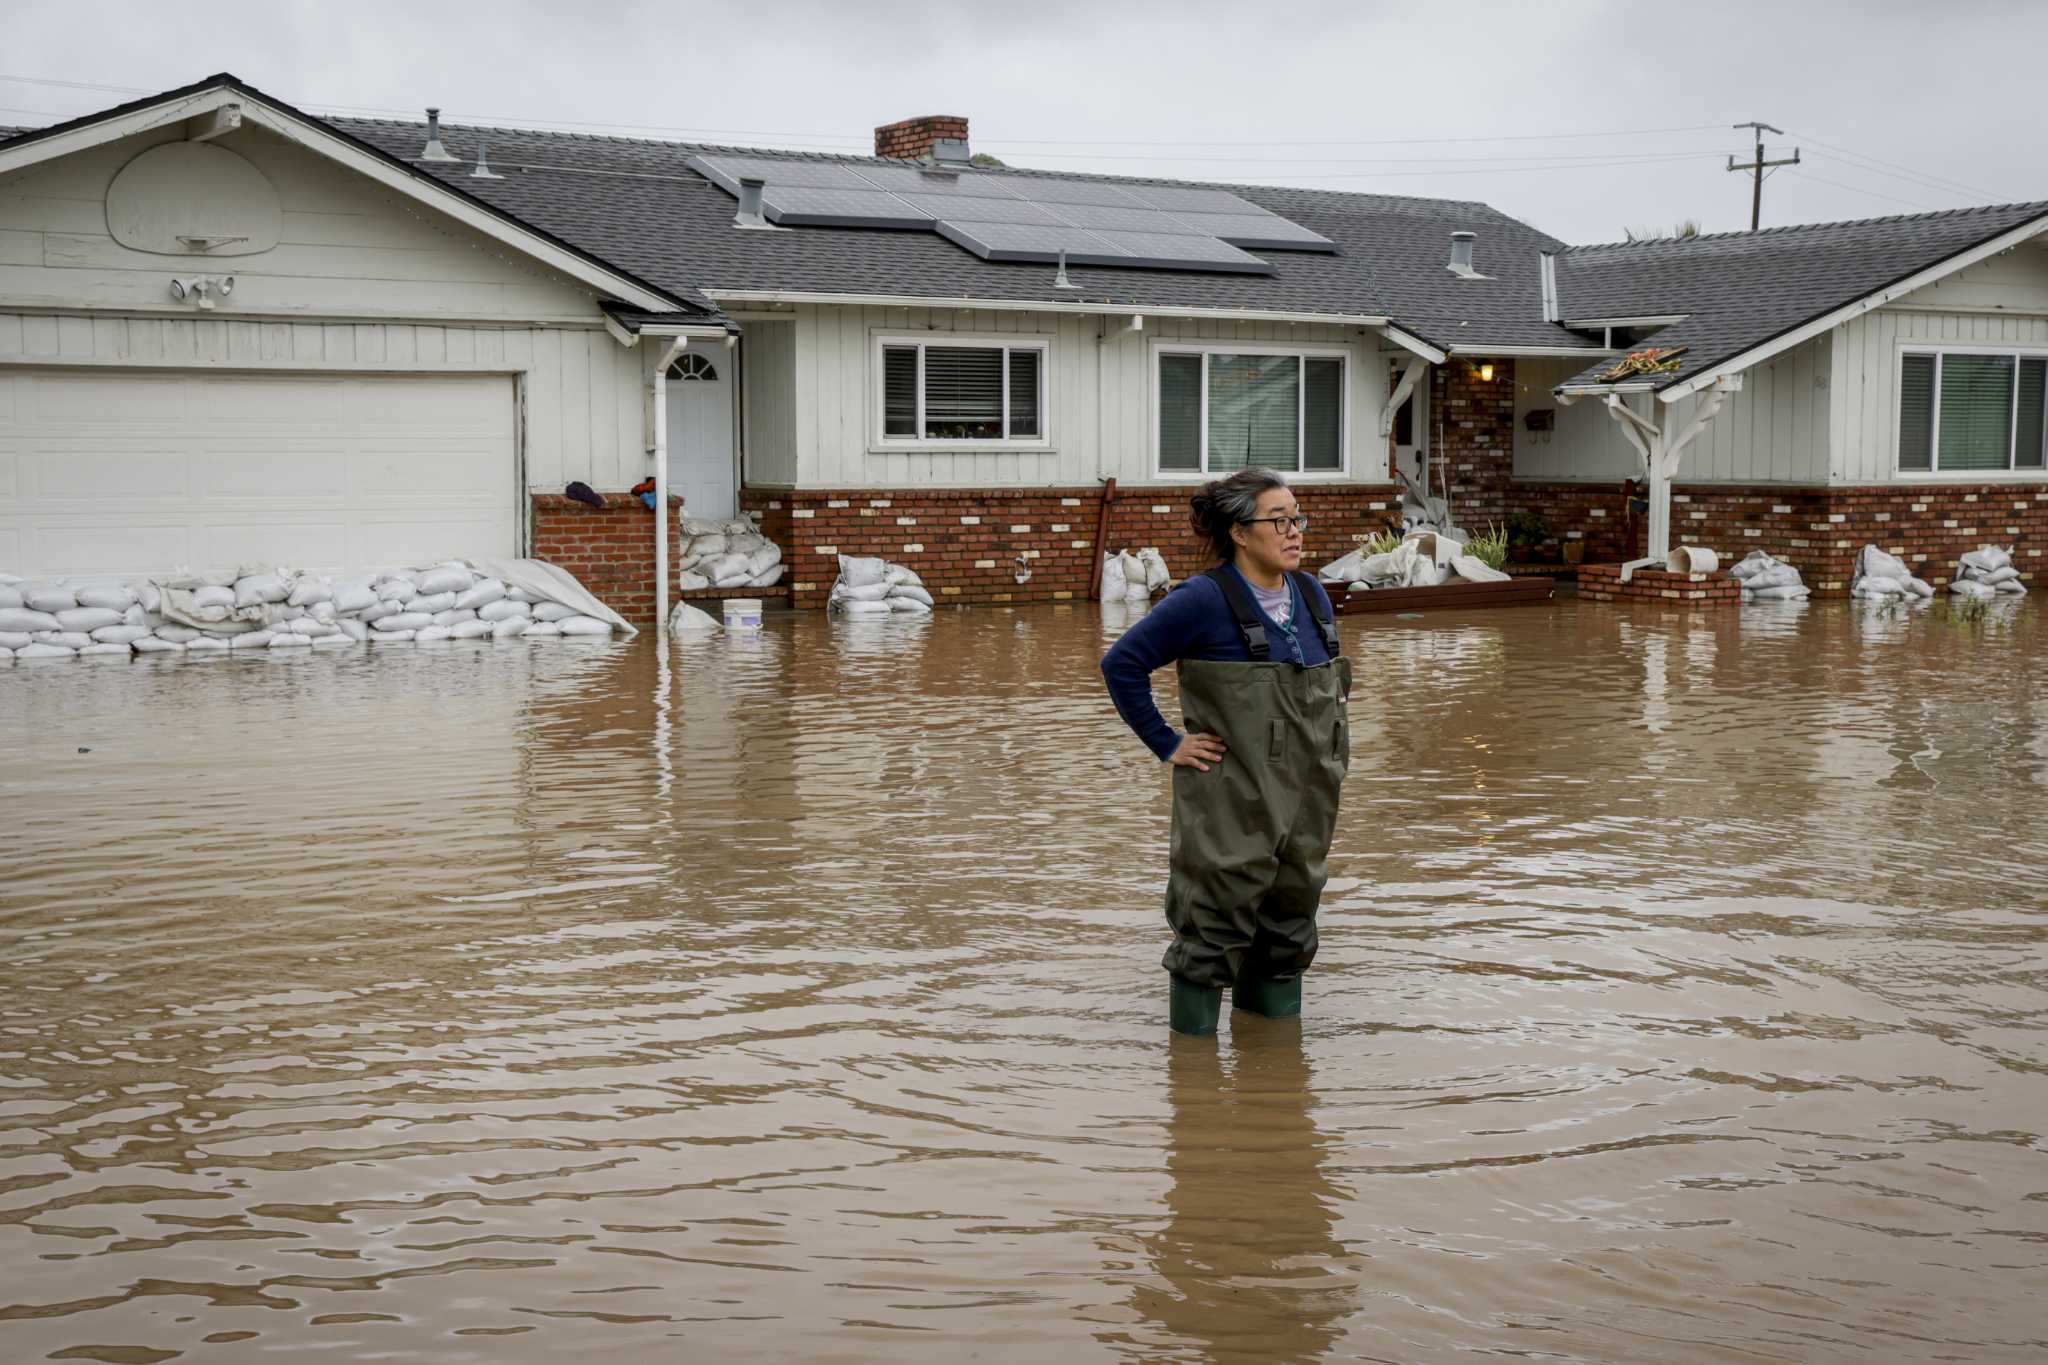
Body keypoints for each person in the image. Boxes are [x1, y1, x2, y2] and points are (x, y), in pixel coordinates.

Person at [1099, 467, 1353, 1036]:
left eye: (1298, 518)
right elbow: (1122, 665)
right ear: (1239, 532)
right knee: (1213, 927)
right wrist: (1168, 744)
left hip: (1308, 800)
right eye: (1278, 520)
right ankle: (1193, 1082)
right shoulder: (1201, 601)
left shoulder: (1311, 595)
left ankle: (1272, 1071)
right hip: (1229, 799)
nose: (1294, 532)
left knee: (1289, 924)